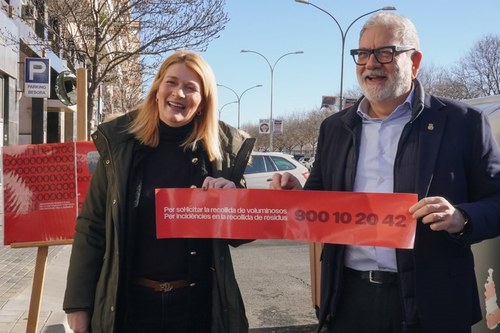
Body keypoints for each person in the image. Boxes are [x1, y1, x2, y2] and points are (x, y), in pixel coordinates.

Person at [270, 12, 500, 333]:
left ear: (414, 61)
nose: (371, 63)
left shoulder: (465, 123)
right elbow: (319, 203)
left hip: (433, 303)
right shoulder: (334, 128)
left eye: (385, 52)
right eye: (363, 53)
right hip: (348, 299)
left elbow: (496, 201)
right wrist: (296, 197)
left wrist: (461, 218)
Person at [63, 50, 255, 333]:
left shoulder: (221, 153)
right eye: (171, 82)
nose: (178, 93)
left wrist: (232, 201)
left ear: (202, 103)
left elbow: (243, 234)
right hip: (130, 306)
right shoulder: (120, 147)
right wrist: (78, 305)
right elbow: (92, 227)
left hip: (197, 309)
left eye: (191, 88)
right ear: (157, 89)